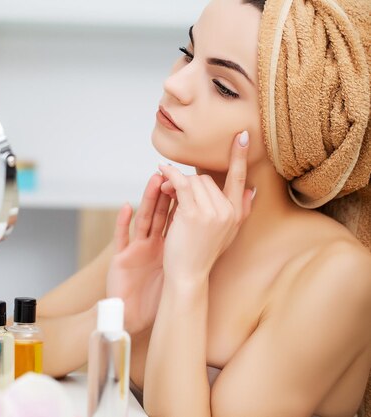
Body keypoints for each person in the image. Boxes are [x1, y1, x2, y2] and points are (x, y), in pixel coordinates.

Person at [35, 0, 371, 416]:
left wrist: (186, 281)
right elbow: (10, 346)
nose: (175, 84)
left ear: (290, 129)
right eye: (188, 54)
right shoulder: (172, 218)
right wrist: (114, 318)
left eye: (224, 86)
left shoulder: (338, 275)